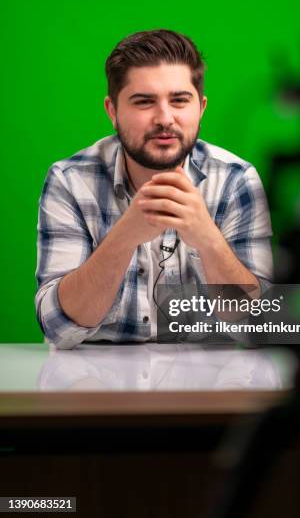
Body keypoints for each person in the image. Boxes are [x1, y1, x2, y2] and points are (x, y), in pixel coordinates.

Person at [35, 29, 273, 349]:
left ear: (200, 107)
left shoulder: (236, 181)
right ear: (113, 111)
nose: (164, 118)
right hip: (97, 387)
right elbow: (58, 328)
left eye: (179, 100)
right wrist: (124, 236)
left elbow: (261, 326)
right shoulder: (71, 181)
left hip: (213, 387)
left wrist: (208, 239)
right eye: (144, 102)